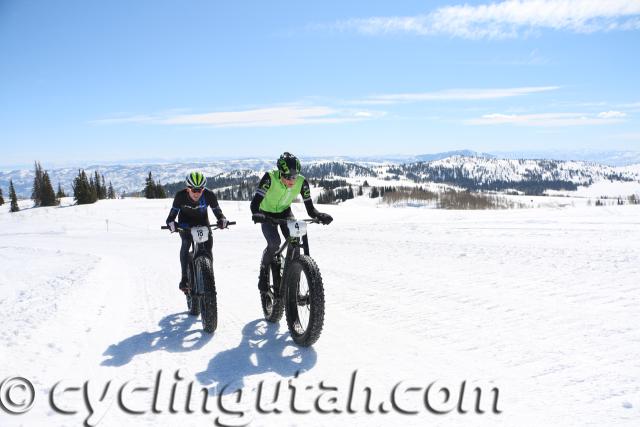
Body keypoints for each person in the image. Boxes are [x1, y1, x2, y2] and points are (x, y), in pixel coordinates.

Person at [250, 152, 333, 293]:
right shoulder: (269, 178)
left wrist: (319, 215)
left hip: (285, 212)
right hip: (266, 214)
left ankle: (292, 279)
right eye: (287, 177)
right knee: (274, 243)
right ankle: (263, 273)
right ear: (280, 172)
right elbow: (254, 204)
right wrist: (257, 214)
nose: (291, 181)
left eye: (294, 177)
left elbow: (311, 209)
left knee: (295, 243)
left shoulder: (302, 182)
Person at [165, 171, 228, 292]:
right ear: (188, 189)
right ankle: (184, 278)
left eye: (200, 190)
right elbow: (171, 216)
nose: (196, 193)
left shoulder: (209, 195)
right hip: (185, 224)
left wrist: (222, 219)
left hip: (203, 223)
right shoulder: (180, 196)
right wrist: (171, 223)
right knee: (186, 243)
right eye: (193, 190)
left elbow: (217, 211)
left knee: (208, 249)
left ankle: (209, 276)